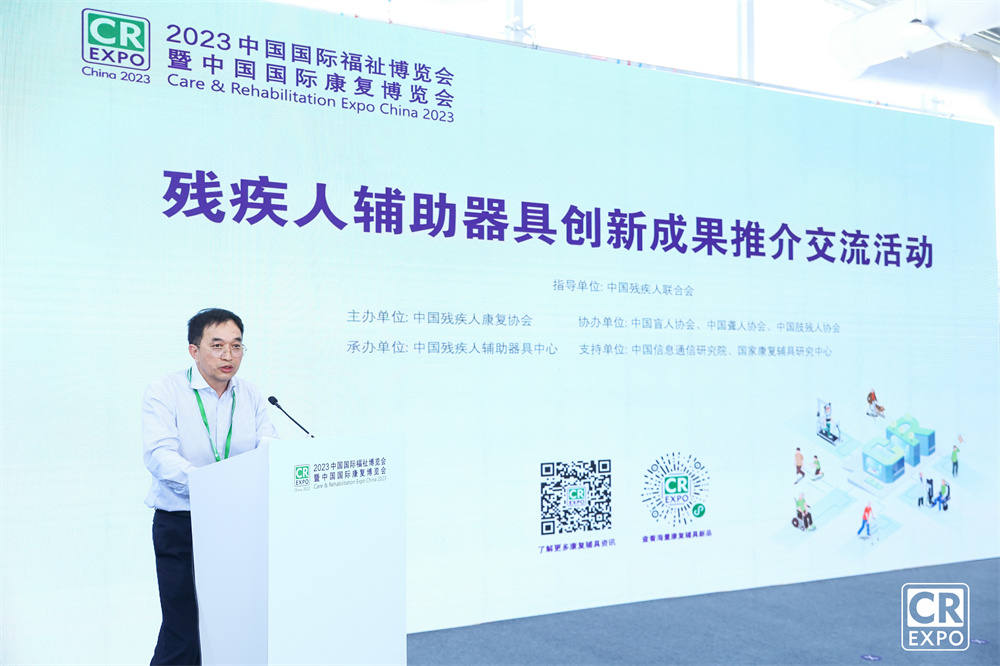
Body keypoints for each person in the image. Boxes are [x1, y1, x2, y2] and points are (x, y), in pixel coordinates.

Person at [143, 308, 277, 665]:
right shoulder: (165, 390)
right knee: (184, 630)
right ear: (194, 350)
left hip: (238, 525)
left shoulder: (250, 394)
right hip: (183, 524)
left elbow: (268, 447)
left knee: (231, 626)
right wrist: (211, 487)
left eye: (236, 346)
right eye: (217, 346)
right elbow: (159, 455)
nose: (228, 355)